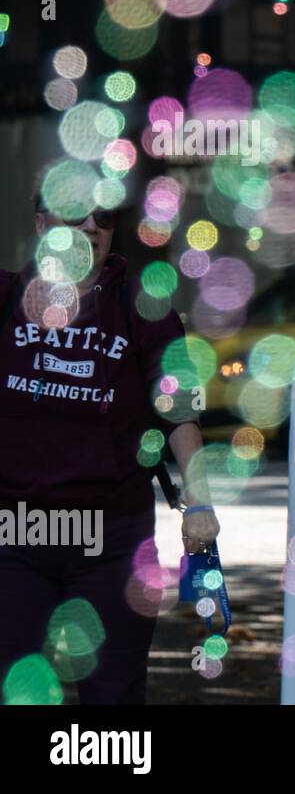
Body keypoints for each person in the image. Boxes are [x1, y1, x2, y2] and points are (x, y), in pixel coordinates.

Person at [0, 182, 220, 704]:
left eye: (101, 215)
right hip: (13, 538)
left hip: (112, 542)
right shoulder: (6, 300)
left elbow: (180, 413)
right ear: (40, 226)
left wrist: (201, 501)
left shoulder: (141, 308)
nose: (89, 226)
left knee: (114, 697)